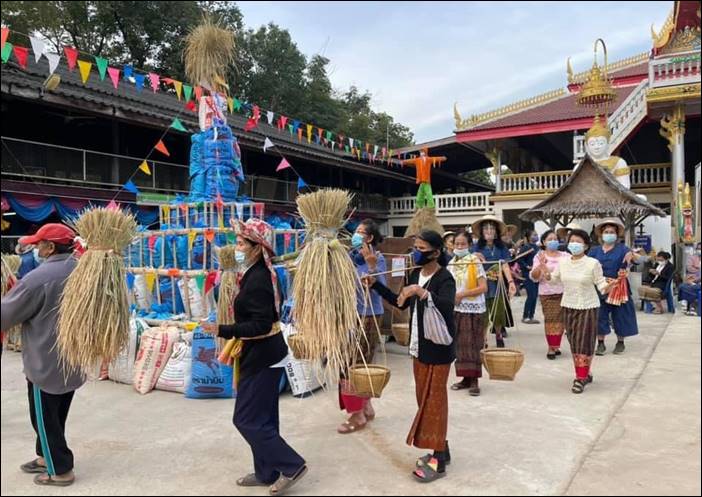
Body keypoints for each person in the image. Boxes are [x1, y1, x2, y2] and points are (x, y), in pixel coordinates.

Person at [201, 218, 307, 495]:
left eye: (240, 243)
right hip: (262, 353)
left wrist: (221, 329)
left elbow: (260, 324)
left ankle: (292, 465)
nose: (235, 248)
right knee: (264, 418)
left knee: (246, 419)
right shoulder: (254, 272)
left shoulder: (259, 278)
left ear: (256, 247)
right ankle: (266, 471)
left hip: (263, 355)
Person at [364, 230, 456, 483]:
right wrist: (377, 286)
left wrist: (422, 293)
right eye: (414, 246)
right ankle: (443, 448)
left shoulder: (444, 278)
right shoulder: (415, 273)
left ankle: (437, 459)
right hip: (419, 347)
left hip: (439, 348)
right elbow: (401, 302)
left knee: (435, 400)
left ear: (435, 252)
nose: (416, 252)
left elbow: (448, 306)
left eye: (421, 247)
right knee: (423, 399)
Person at [1, 223, 84, 487]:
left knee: (43, 415)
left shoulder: (40, 278)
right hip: (72, 356)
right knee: (57, 412)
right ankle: (44, 456)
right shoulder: (82, 269)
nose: (36, 249)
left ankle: (60, 469)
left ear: (50, 247)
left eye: (39, 244)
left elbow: (6, 314)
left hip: (45, 358)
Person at [542, 229, 613, 393]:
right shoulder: (563, 262)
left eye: (578, 241)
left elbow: (601, 285)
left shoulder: (592, 263)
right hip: (568, 306)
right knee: (574, 342)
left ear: (586, 245)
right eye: (572, 241)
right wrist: (545, 272)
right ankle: (585, 372)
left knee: (584, 342)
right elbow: (553, 280)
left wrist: (610, 286)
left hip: (588, 308)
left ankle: (580, 378)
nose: (574, 244)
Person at [338, 219, 387, 434]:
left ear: (370, 238)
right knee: (347, 362)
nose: (356, 235)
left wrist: (373, 266)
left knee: (357, 364)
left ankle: (357, 414)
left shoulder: (378, 258)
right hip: (349, 314)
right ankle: (364, 405)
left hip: (369, 316)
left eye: (360, 232)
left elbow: (381, 290)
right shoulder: (349, 257)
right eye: (355, 231)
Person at [589, 219, 639, 356]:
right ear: (601, 234)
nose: (609, 234)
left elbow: (636, 259)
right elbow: (586, 265)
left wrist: (632, 256)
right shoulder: (594, 251)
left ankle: (620, 342)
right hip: (601, 287)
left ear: (617, 235)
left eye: (612, 232)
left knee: (621, 314)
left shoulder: (624, 249)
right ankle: (600, 344)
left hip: (619, 287)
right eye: (606, 232)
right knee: (599, 315)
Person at [447, 231, 487, 395]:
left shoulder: (474, 261)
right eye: (457, 244)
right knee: (460, 345)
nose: (459, 247)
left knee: (473, 343)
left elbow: (483, 287)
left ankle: (475, 380)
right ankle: (464, 377)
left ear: (469, 245)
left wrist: (462, 295)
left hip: (472, 309)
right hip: (456, 309)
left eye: (463, 244)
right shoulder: (451, 263)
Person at [471, 215, 517, 348]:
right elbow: (469, 264)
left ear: (496, 232)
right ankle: (484, 339)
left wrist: (511, 282)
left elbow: (505, 265)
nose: (489, 231)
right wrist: (474, 257)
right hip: (481, 285)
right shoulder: (475, 248)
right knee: (482, 314)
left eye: (492, 228)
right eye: (486, 228)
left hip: (498, 284)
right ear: (481, 232)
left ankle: (498, 335)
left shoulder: (502, 247)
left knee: (498, 312)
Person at [530, 230, 569, 359]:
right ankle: (550, 347)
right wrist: (541, 265)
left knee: (561, 321)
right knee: (551, 320)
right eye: (550, 239)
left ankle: (556, 345)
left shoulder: (565, 256)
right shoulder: (539, 256)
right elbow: (534, 277)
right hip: (547, 293)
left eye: (555, 239)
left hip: (564, 292)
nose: (553, 241)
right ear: (543, 242)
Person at [519, 229, 541, 324]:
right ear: (528, 237)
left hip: (536, 274)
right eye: (534, 235)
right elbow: (519, 259)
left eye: (536, 234)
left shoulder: (537, 247)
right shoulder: (525, 247)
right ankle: (525, 316)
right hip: (528, 275)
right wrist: (526, 266)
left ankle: (531, 316)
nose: (536, 236)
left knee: (535, 295)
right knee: (531, 295)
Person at [679, 242, 701, 316]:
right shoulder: (692, 257)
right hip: (693, 279)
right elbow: (689, 268)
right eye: (698, 248)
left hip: (698, 281)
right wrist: (699, 268)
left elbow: (694, 269)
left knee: (691, 288)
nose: (699, 250)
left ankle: (690, 305)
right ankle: (688, 305)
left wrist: (696, 267)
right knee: (682, 286)